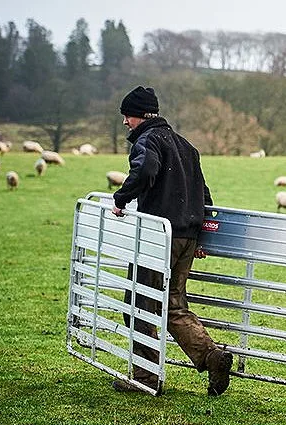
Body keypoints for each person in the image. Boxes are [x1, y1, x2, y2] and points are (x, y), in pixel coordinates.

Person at [111, 85, 232, 396]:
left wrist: (121, 199)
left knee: (138, 305)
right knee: (173, 304)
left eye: (127, 115)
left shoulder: (147, 141)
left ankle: (146, 377)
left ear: (138, 116)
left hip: (158, 237)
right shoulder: (186, 146)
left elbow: (146, 170)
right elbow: (204, 196)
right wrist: (199, 236)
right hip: (186, 238)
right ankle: (212, 356)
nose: (125, 121)